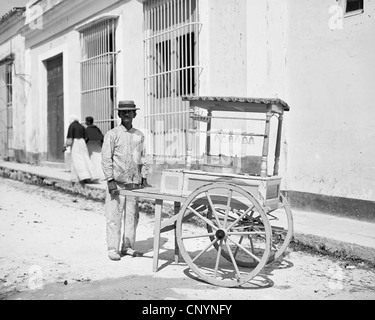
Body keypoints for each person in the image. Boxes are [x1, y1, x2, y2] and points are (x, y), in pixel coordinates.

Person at [101, 100, 150, 261]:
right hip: (117, 183)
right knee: (114, 216)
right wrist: (110, 179)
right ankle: (112, 248)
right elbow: (106, 158)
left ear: (134, 114)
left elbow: (143, 157)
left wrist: (144, 176)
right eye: (124, 112)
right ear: (119, 114)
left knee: (132, 216)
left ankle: (127, 246)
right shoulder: (112, 134)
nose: (127, 115)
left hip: (133, 183)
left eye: (130, 112)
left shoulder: (139, 135)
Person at [64, 114, 95, 184]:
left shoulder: (72, 126)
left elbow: (70, 139)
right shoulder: (81, 126)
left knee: (77, 160)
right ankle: (90, 175)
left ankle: (83, 176)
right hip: (83, 143)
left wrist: (65, 146)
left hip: (76, 144)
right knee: (85, 158)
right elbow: (87, 137)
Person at [85, 116, 105, 180]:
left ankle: (93, 175)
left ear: (88, 122)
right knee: (99, 161)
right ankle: (101, 175)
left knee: (91, 161)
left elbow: (86, 138)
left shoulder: (87, 130)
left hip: (90, 146)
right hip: (98, 147)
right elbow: (101, 138)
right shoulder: (97, 129)